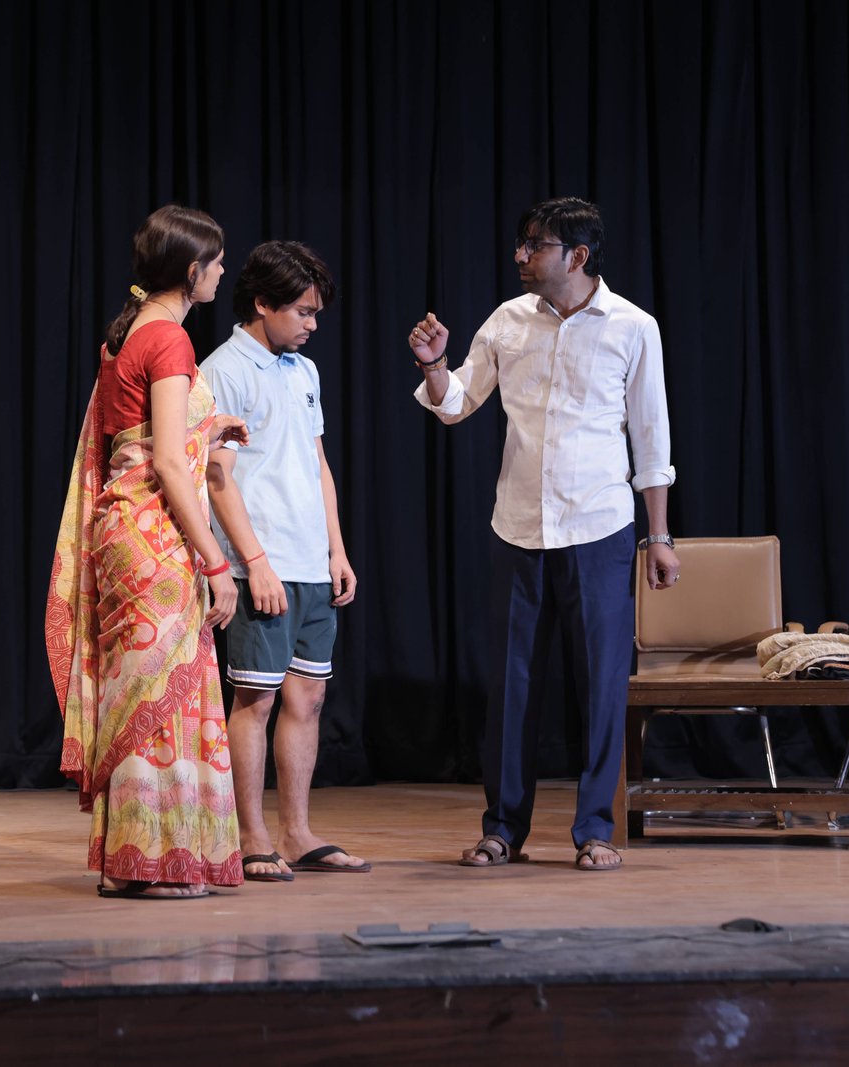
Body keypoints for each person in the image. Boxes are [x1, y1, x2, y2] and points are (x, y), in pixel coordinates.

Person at [407, 197, 680, 873]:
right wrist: (435, 365)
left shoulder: (632, 327)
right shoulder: (508, 319)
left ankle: (595, 830)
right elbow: (456, 403)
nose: (521, 255)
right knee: (512, 687)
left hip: (599, 526)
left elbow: (651, 436)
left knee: (600, 685)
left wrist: (659, 535)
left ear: (577, 256)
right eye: (522, 243)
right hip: (519, 526)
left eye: (535, 245)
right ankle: (503, 828)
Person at [46, 204, 250, 899]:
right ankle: (151, 862)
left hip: (123, 531)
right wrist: (217, 563)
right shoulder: (169, 339)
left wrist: (207, 428)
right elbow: (163, 461)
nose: (222, 272)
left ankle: (136, 860)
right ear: (192, 271)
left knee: (146, 688)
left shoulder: (128, 333)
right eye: (216, 263)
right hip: (152, 535)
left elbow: (137, 436)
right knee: (161, 696)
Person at [201, 241, 369, 880]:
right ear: (263, 304)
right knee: (256, 700)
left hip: (310, 562)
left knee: (309, 698)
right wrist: (254, 561)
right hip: (260, 565)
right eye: (302, 311)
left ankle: (297, 832)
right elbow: (217, 476)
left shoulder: (304, 371)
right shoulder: (225, 369)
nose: (312, 324)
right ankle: (252, 837)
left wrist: (336, 550)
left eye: (316, 312)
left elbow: (317, 463)